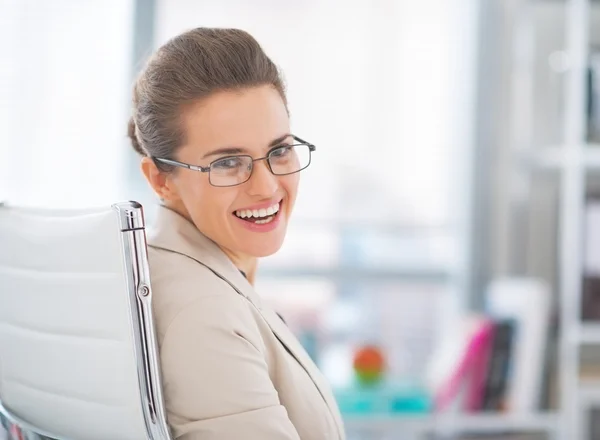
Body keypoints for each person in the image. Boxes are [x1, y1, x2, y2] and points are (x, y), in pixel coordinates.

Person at [127, 27, 345, 440]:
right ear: (161, 180)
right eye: (228, 162)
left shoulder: (185, 273)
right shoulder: (204, 315)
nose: (265, 186)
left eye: (279, 150)